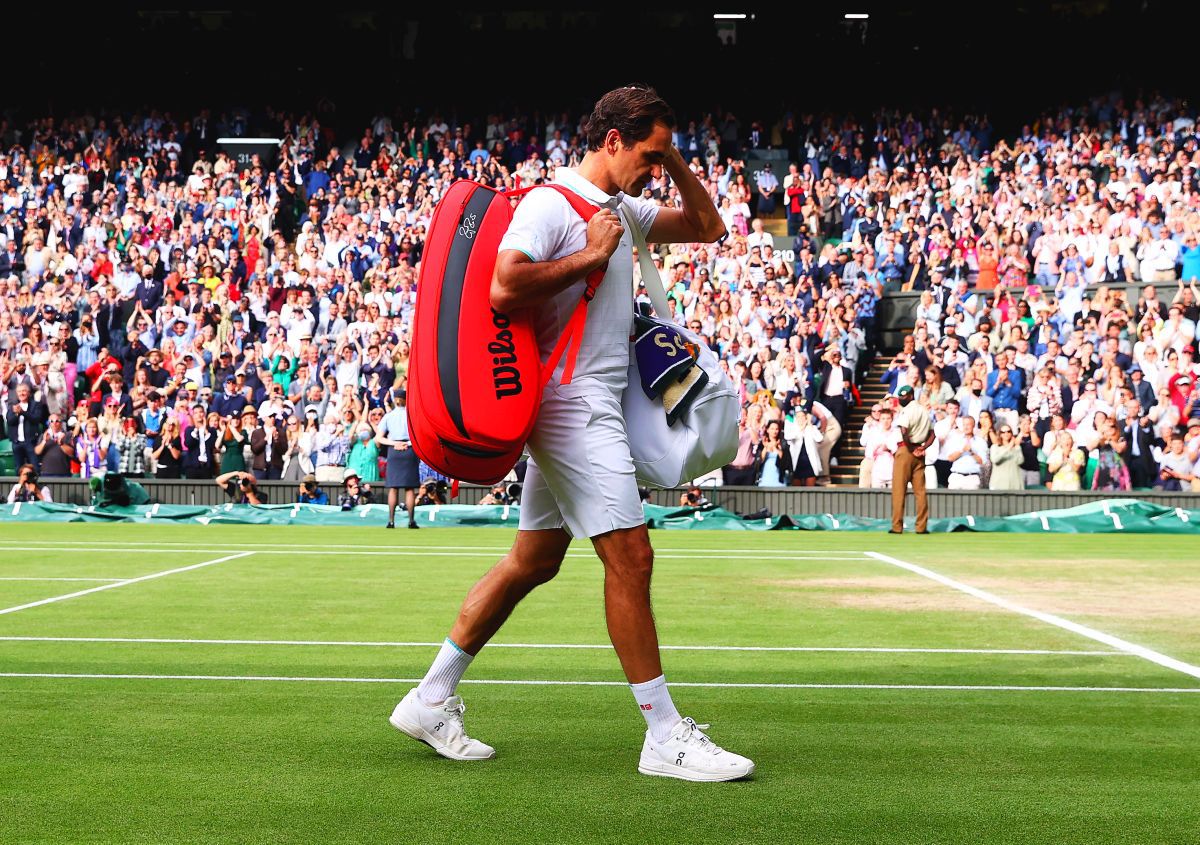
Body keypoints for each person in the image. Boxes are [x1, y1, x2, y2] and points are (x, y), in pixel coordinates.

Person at [389, 86, 754, 781]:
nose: (654, 167)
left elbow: (707, 227)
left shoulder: (622, 207)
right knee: (632, 557)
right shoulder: (551, 203)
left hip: (594, 402)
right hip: (572, 406)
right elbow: (504, 285)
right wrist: (590, 257)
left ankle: (429, 696)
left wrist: (674, 161)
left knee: (534, 561)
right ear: (611, 141)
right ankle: (663, 734)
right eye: (648, 152)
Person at [890, 385, 932, 534]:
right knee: (920, 492)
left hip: (906, 451)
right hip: (919, 453)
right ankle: (921, 527)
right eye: (900, 396)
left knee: (899, 490)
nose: (901, 399)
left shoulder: (907, 411)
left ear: (911, 395)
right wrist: (923, 448)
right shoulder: (924, 411)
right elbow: (932, 434)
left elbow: (904, 431)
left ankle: (897, 526)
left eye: (904, 396)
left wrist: (911, 449)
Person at [376, 388, 420, 529]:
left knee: (393, 488)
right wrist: (406, 443)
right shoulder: (412, 415)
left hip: (394, 451)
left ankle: (391, 520)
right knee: (409, 489)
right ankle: (411, 521)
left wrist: (394, 443)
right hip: (409, 449)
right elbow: (419, 434)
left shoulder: (389, 416)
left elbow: (379, 438)